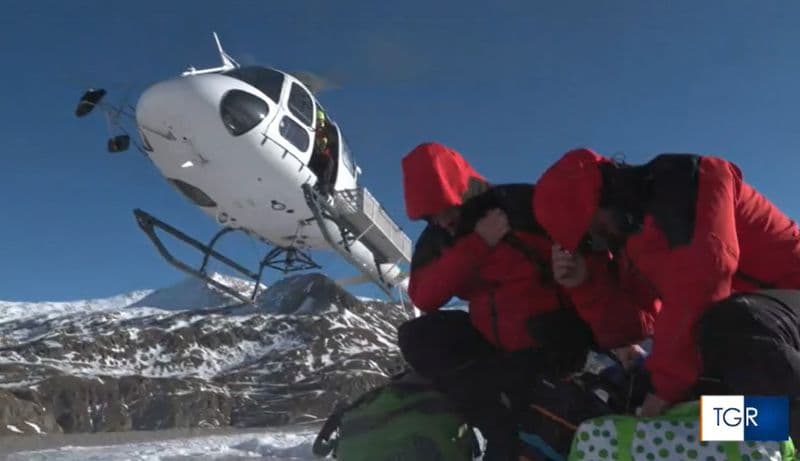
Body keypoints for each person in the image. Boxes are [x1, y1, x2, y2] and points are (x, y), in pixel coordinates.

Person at [397, 142, 659, 460]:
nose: (440, 220)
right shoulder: (443, 239)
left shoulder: (523, 209)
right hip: (502, 348)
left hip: (556, 341)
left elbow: (593, 266)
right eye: (429, 215)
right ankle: (501, 421)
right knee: (419, 335)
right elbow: (424, 295)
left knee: (696, 365)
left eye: (444, 208)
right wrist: (478, 244)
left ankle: (724, 422)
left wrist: (618, 340)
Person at [532, 147, 800, 419]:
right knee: (694, 415)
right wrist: (584, 284)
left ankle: (785, 427)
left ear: (603, 198)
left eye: (596, 235)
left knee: (732, 322)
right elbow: (636, 327)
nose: (602, 247)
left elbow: (703, 284)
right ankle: (766, 434)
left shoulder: (691, 181)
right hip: (769, 333)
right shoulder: (634, 246)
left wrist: (664, 390)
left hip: (781, 310)